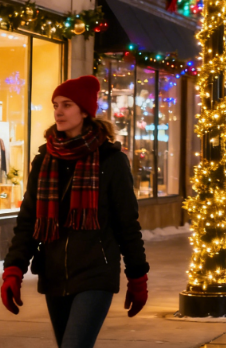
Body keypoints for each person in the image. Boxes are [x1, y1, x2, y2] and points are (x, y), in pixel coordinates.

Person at [2, 76, 149, 347]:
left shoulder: (111, 161)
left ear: (85, 111)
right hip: (54, 276)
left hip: (96, 274)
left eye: (67, 105)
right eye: (56, 104)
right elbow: (29, 222)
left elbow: (127, 224)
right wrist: (14, 268)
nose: (58, 111)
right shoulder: (44, 160)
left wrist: (137, 276)